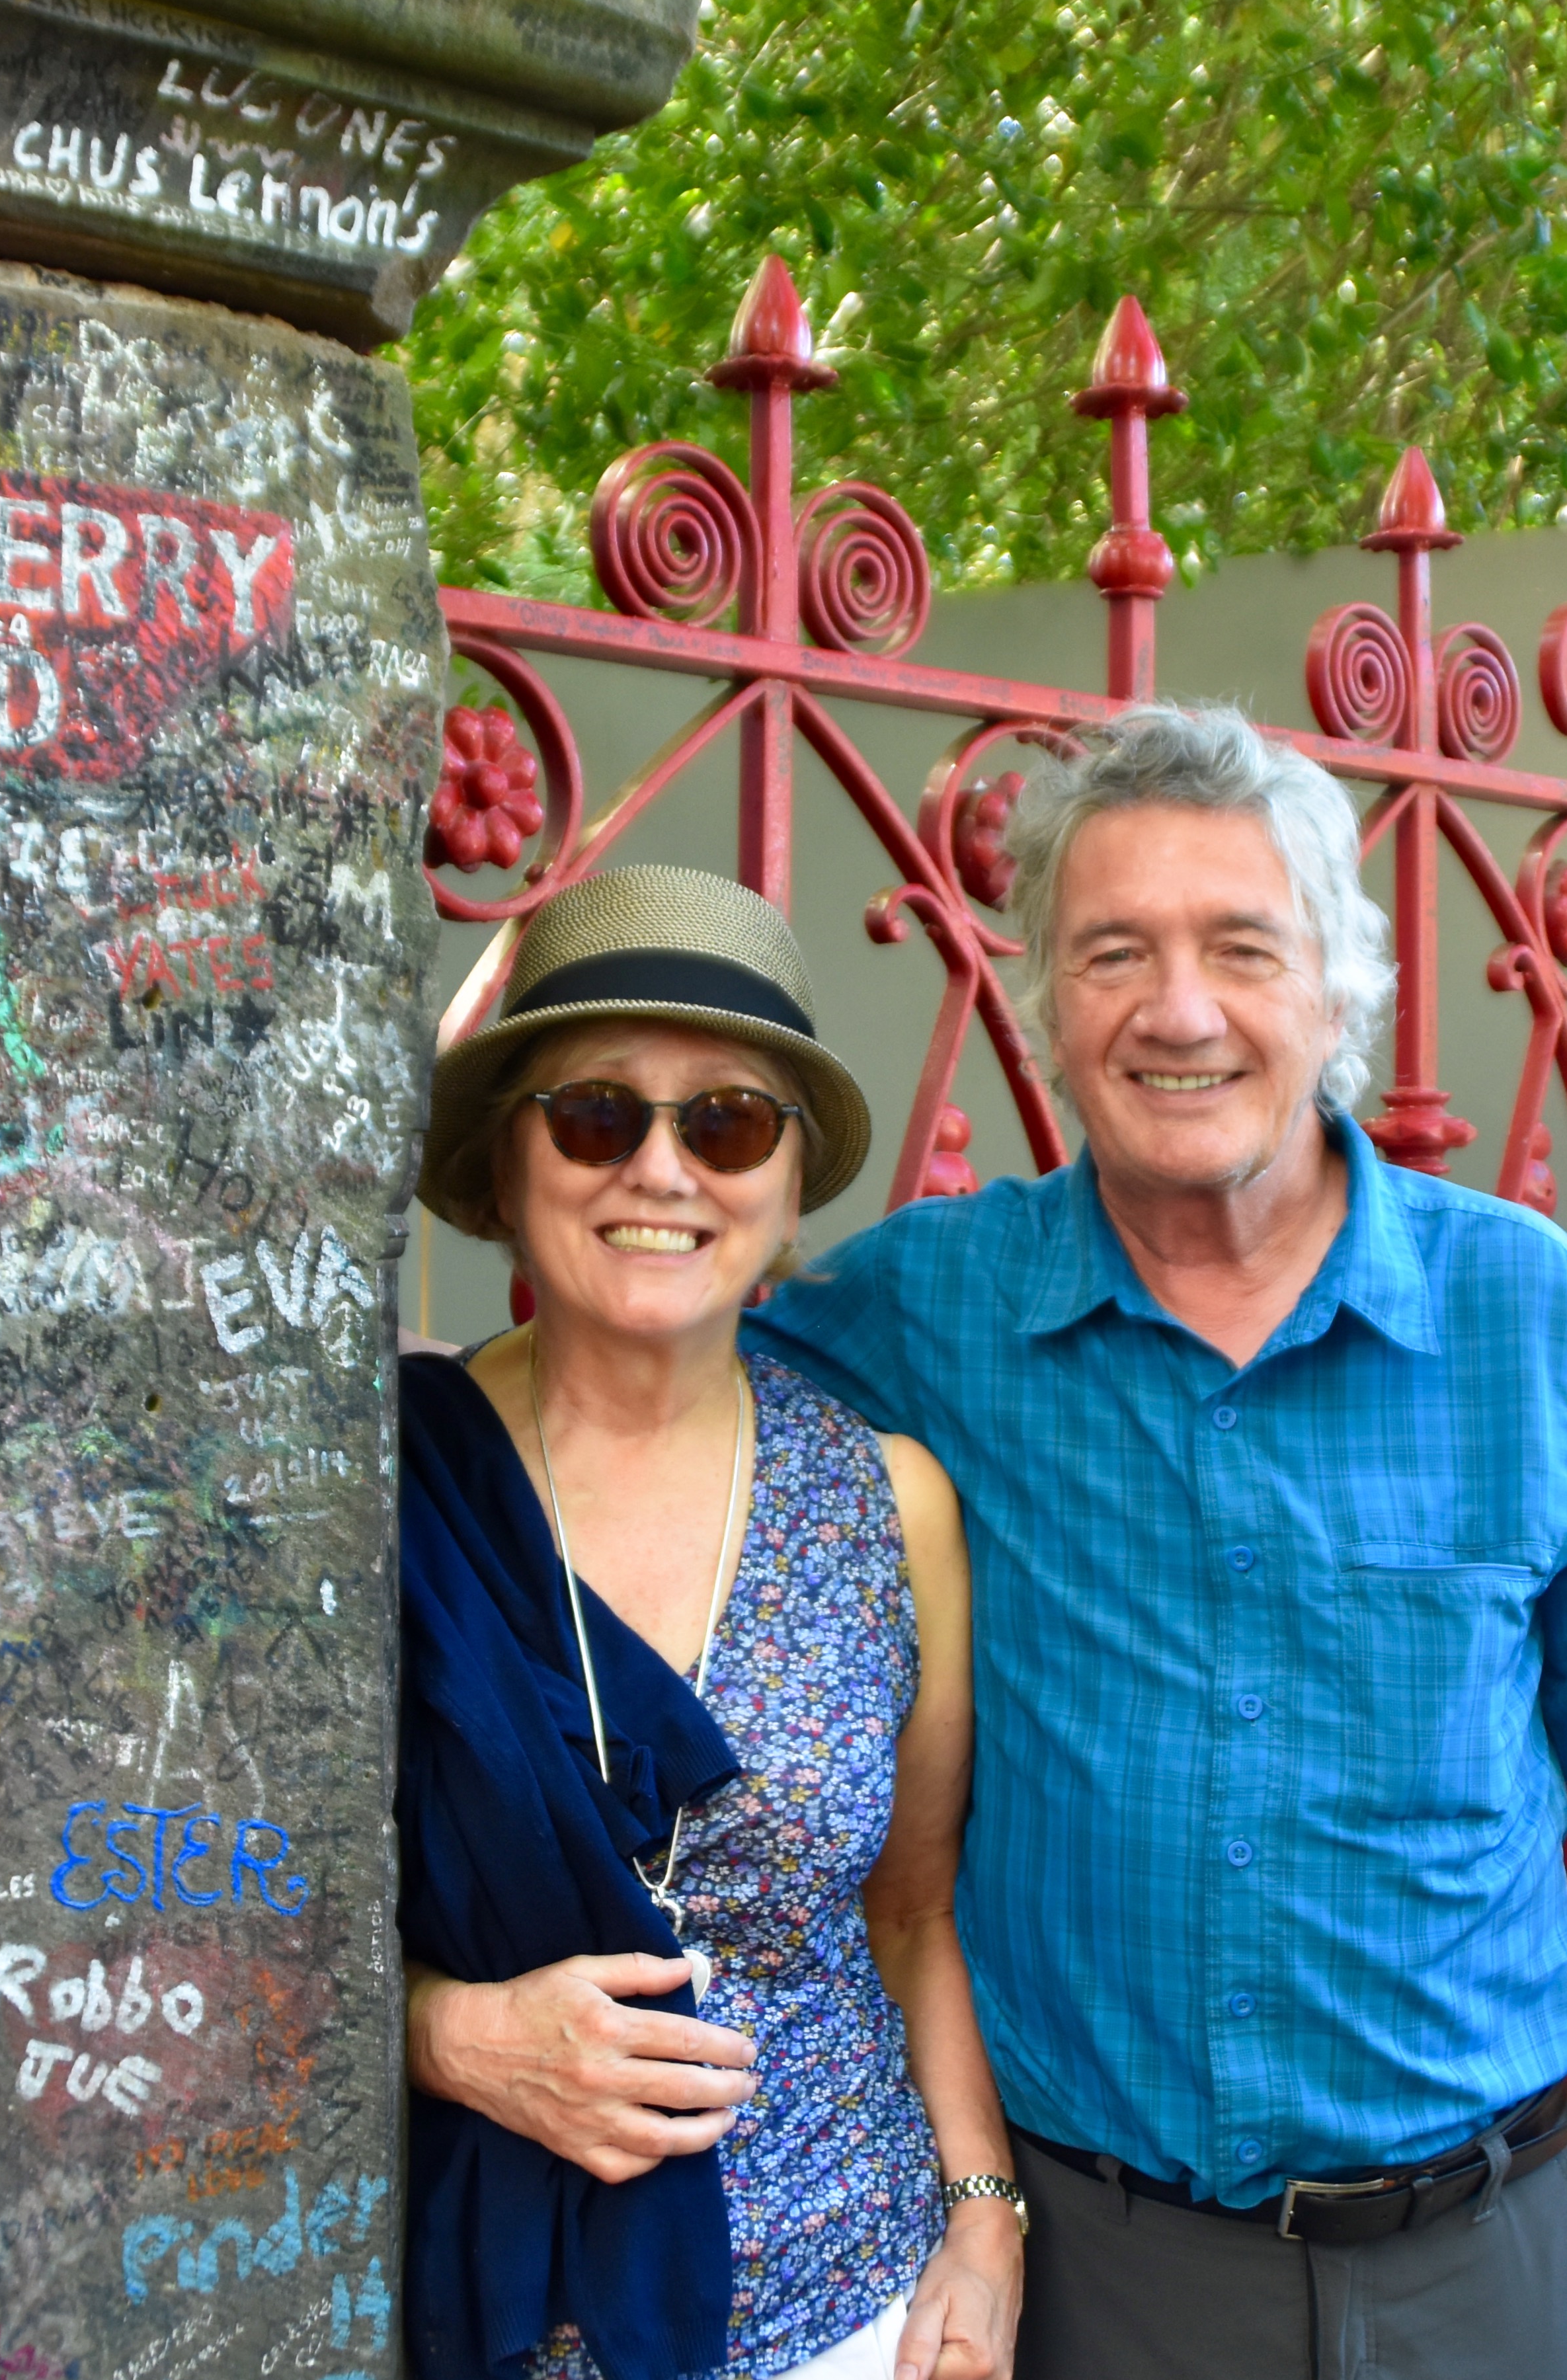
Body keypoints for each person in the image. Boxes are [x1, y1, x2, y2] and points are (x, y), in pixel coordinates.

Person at [743, 707, 1567, 2380]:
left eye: (1240, 947)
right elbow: (644, 1369)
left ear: (1339, 992)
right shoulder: (926, 1310)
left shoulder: (1521, 1310)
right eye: (1113, 955)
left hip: (1484, 2264)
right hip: (1097, 2277)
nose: (1179, 1012)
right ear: (1044, 1005)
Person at [395, 865, 1025, 2380]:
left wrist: (986, 2226)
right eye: (596, 1114)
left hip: (855, 2309)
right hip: (490, 2316)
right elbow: (243, 1933)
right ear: (508, 1158)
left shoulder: (891, 1502)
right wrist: (449, 2036)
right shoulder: (384, 1491)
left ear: (789, 1180)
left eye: (727, 1120)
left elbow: (912, 1913)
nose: (661, 1171)